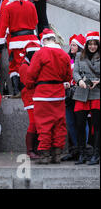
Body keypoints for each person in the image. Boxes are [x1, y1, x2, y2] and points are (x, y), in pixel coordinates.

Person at [25, 28, 73, 164]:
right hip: (58, 93)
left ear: (44, 40)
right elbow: (68, 76)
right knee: (59, 124)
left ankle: (45, 155)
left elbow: (31, 74)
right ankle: (57, 154)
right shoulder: (64, 55)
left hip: (43, 93)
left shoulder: (40, 53)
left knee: (44, 124)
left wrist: (30, 86)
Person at [0, 0, 39, 97]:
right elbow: (36, 22)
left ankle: (21, 90)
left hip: (17, 41)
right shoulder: (31, 5)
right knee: (32, 64)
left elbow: (3, 25)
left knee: (18, 66)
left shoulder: (8, 7)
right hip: (32, 39)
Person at [72, 31, 100, 165]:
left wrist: (98, 81)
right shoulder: (79, 56)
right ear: (87, 44)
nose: (92, 46)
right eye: (90, 44)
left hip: (97, 92)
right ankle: (82, 153)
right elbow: (75, 72)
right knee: (80, 124)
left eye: (95, 44)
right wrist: (79, 81)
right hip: (81, 92)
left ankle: (96, 153)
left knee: (97, 125)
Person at [61, 33, 86, 161]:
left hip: (80, 94)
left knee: (81, 123)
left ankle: (84, 149)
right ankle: (75, 148)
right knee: (70, 123)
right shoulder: (67, 58)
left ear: (80, 47)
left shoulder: (83, 60)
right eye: (71, 44)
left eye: (74, 45)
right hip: (68, 96)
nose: (71, 47)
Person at [19, 41, 42, 159]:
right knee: (33, 123)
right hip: (29, 97)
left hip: (36, 96)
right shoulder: (24, 66)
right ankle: (30, 150)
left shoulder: (32, 65)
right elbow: (28, 83)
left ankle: (36, 148)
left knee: (38, 123)